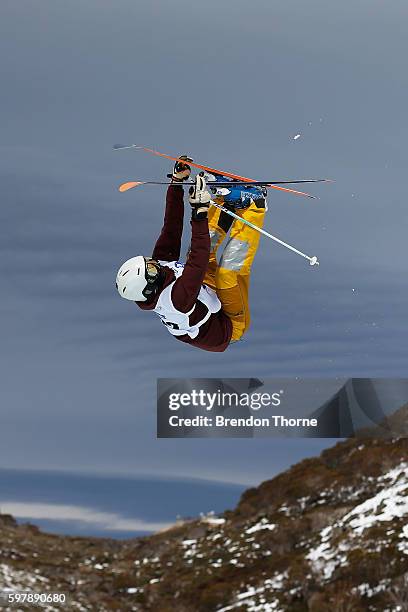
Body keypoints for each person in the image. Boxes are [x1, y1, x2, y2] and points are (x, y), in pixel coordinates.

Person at [115, 156, 266, 352]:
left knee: (199, 247)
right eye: (151, 270)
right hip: (229, 324)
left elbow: (172, 227)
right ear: (149, 288)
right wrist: (199, 211)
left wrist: (176, 183)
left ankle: (226, 203)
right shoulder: (175, 300)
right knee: (227, 273)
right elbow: (199, 259)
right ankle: (255, 205)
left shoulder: (160, 269)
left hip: (205, 291)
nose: (155, 265)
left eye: (149, 262)